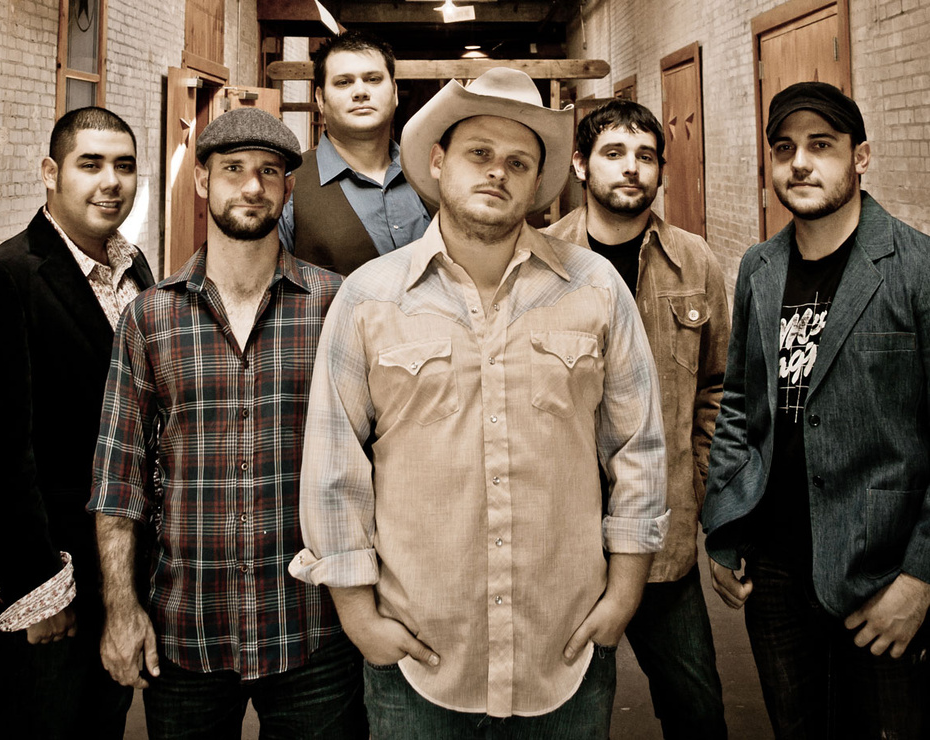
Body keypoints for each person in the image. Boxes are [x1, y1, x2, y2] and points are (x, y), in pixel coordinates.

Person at [290, 67, 670, 738]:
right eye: (479, 153)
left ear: (537, 180)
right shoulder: (370, 298)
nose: (498, 171)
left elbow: (637, 447)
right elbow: (334, 465)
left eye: (518, 162)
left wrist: (624, 594)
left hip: (565, 646)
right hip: (418, 653)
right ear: (438, 162)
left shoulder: (595, 289)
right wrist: (359, 618)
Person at [89, 108, 367, 739]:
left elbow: (375, 458)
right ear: (202, 181)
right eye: (234, 169)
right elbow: (117, 479)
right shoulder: (150, 318)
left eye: (269, 172)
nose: (252, 186)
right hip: (187, 629)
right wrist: (121, 607)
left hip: (312, 628)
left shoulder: (337, 305)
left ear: (288, 188)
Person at [702, 81, 930, 738]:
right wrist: (724, 523)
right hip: (773, 568)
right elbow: (739, 403)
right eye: (784, 148)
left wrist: (920, 579)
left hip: (880, 567)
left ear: (861, 156)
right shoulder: (760, 267)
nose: (799, 163)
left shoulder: (915, 268)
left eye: (821, 145)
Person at [0, 107, 153, 738]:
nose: (111, 182)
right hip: (54, 579)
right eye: (89, 164)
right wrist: (35, 590)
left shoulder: (134, 268)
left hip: (121, 572)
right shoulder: (3, 279)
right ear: (51, 172)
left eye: (124, 165)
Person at [546, 98, 729, 738]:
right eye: (614, 153)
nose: (632, 168)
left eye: (646, 156)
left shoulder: (695, 263)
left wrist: (699, 484)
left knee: (696, 708)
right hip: (563, 538)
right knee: (567, 712)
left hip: (662, 536)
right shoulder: (542, 260)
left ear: (661, 171)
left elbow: (718, 387)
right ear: (579, 164)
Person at [278, 30, 430, 275]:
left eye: (373, 79)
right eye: (343, 82)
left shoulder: (431, 174)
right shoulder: (289, 186)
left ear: (394, 92)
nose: (360, 92)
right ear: (320, 99)